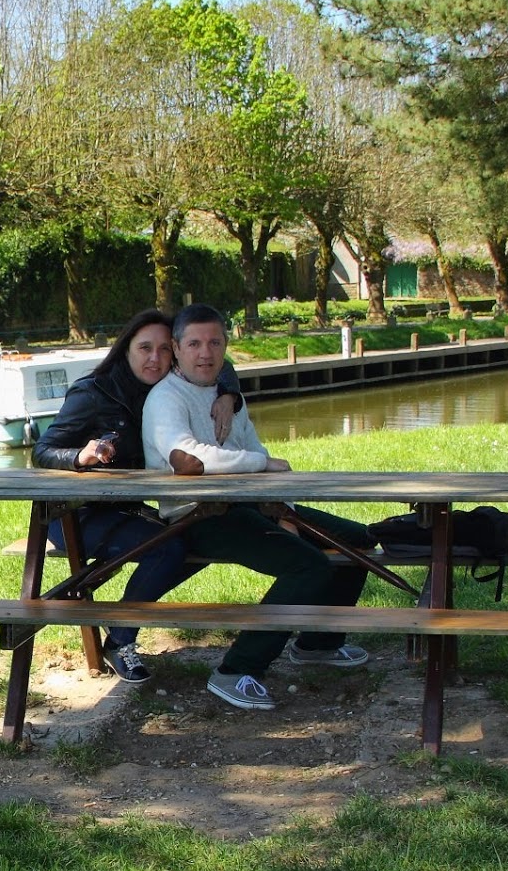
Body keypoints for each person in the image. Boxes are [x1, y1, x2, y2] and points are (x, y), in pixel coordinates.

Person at [142, 303, 372, 712]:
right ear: (176, 348)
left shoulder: (226, 395)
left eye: (214, 342)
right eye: (194, 343)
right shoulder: (165, 399)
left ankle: (317, 644)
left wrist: (283, 509)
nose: (205, 353)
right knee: (308, 565)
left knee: (357, 542)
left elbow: (252, 447)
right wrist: (261, 465)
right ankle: (236, 671)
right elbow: (196, 459)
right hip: (197, 516)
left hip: (250, 505)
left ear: (226, 345)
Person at [31, 308, 243, 682]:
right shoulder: (92, 393)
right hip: (77, 516)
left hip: (130, 509)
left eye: (164, 350)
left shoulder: (165, 391)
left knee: (206, 539)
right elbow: (42, 451)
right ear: (125, 349)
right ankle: (121, 639)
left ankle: (123, 623)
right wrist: (79, 456)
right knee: (170, 549)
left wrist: (229, 393)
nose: (155, 359)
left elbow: (216, 360)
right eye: (145, 348)